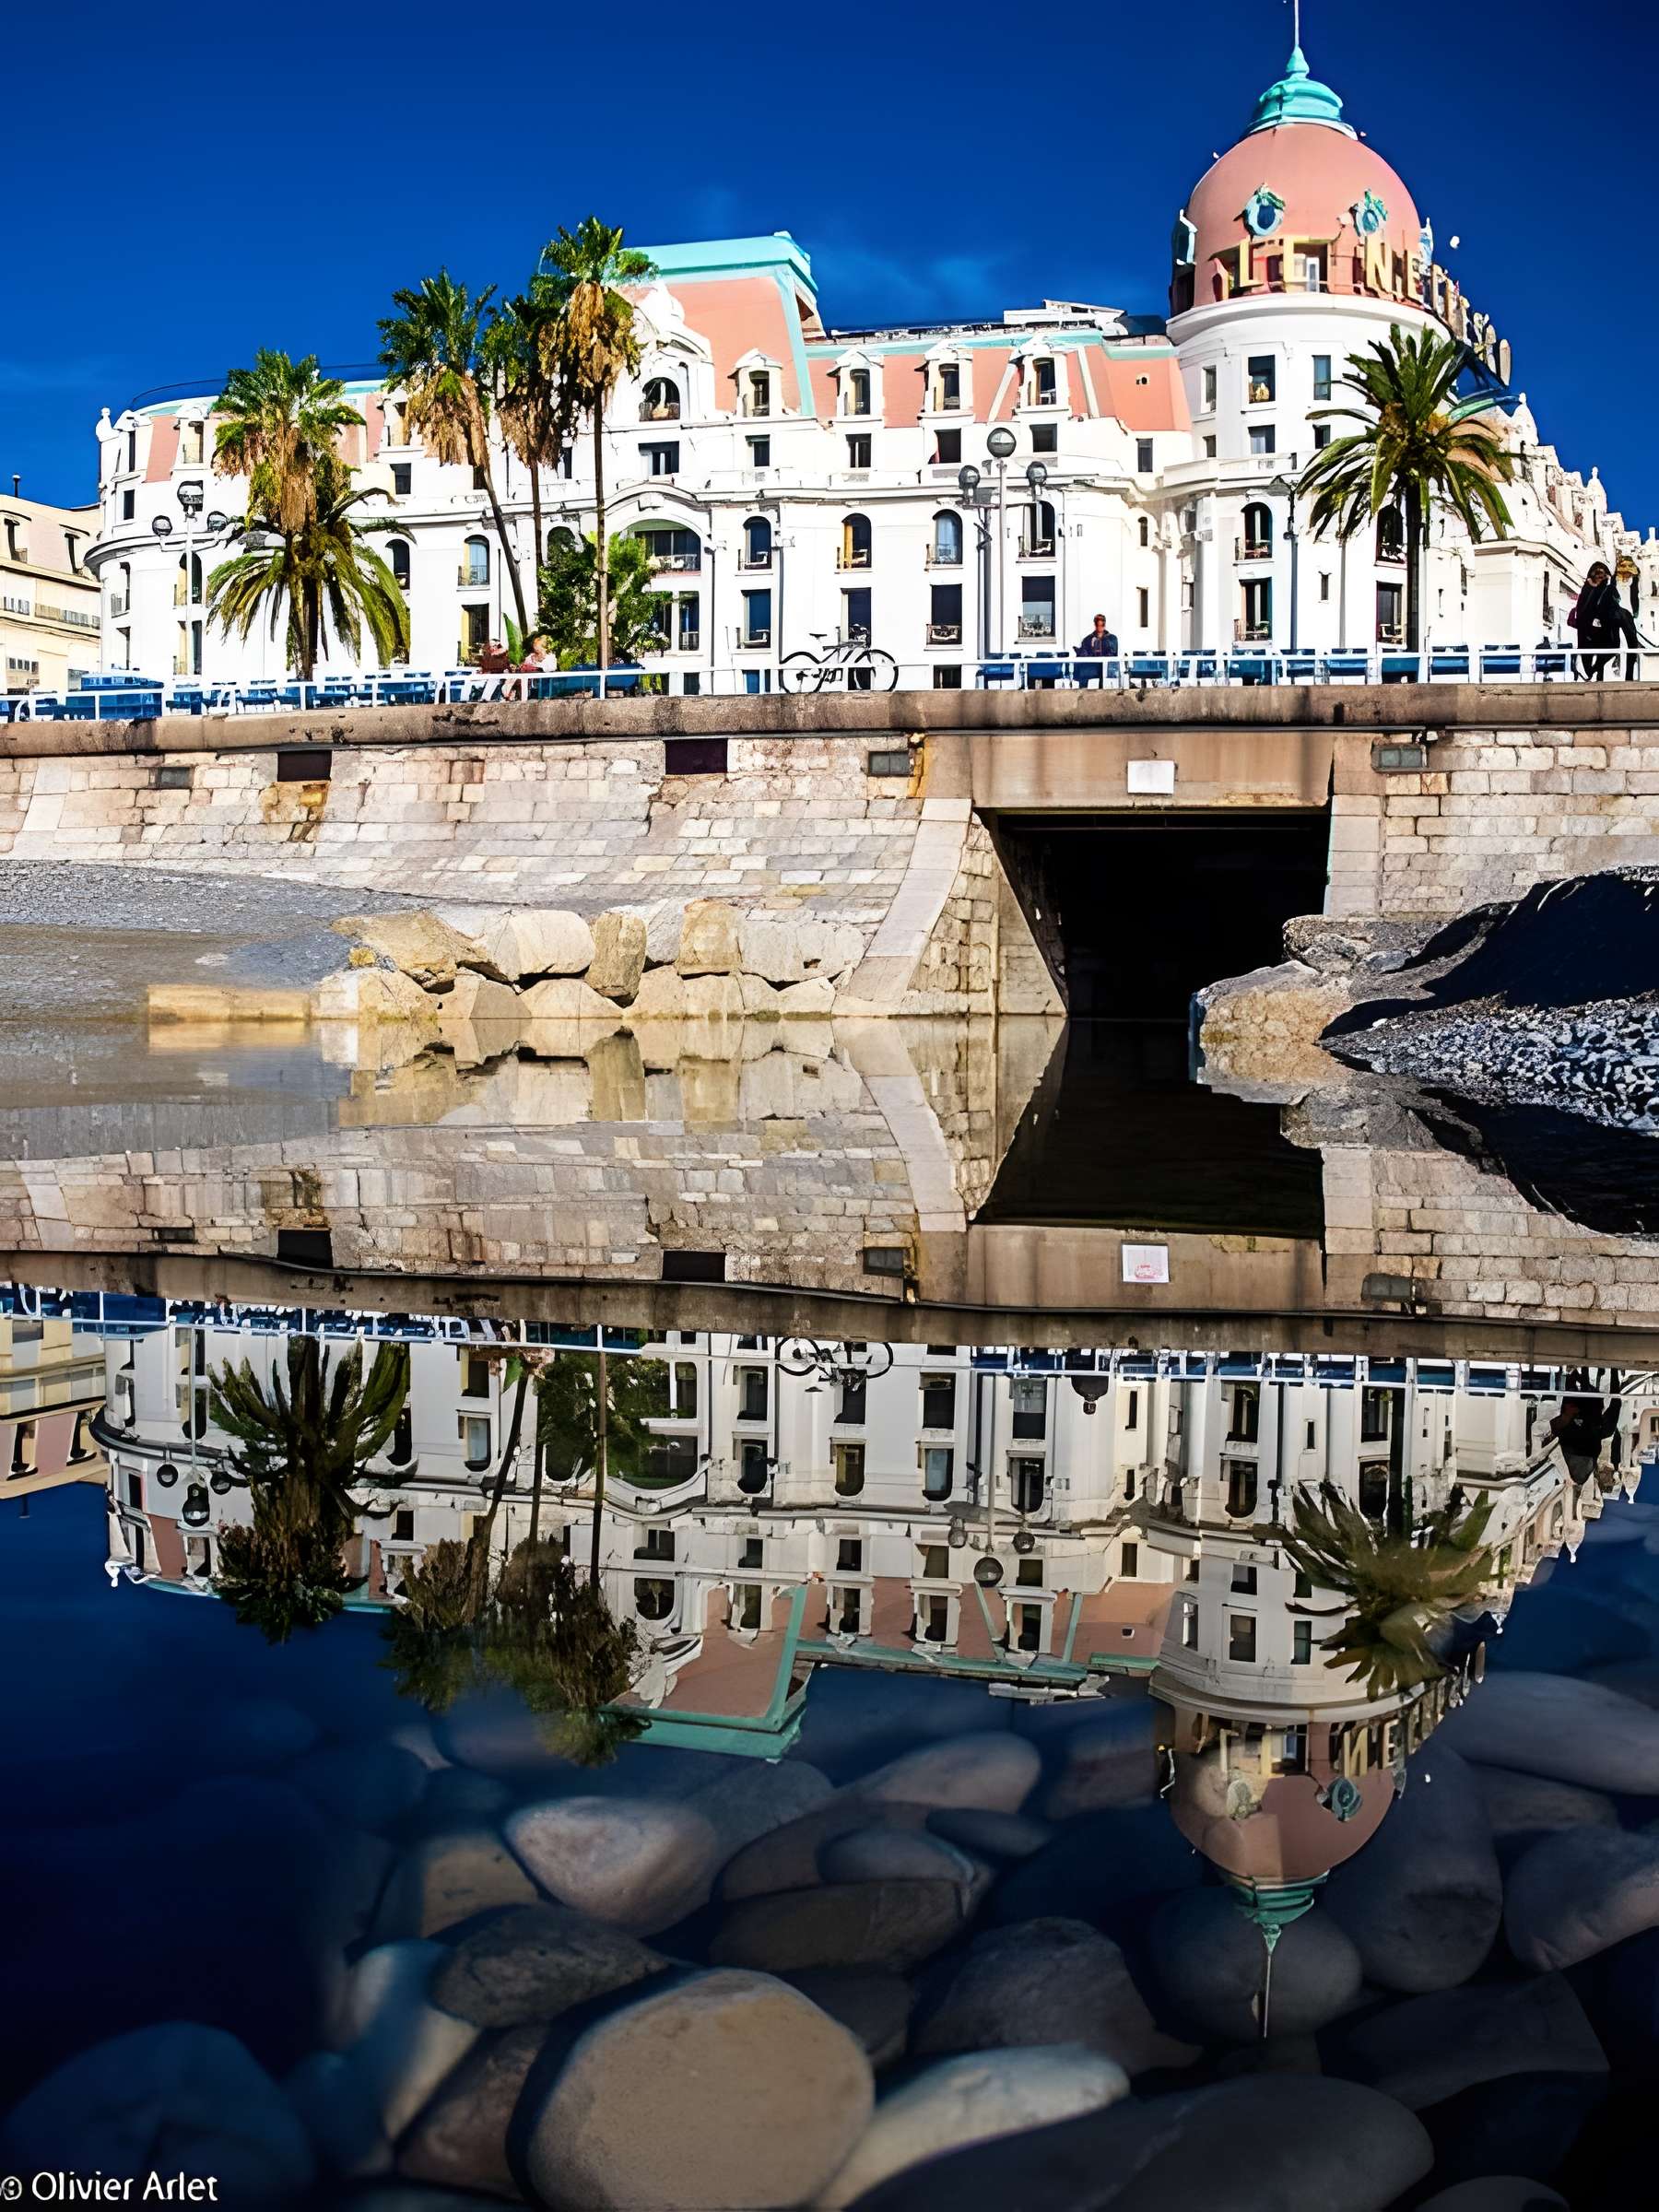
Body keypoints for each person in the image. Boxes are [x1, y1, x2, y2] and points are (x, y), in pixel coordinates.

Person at [1567, 562, 1622, 681]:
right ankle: (1590, 672)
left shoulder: (1607, 589)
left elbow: (1614, 600)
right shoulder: (1588, 588)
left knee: (1610, 649)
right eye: (1598, 574)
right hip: (1587, 629)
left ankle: (1593, 671)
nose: (1600, 577)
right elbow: (1583, 606)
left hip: (1602, 630)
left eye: (1603, 574)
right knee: (1587, 655)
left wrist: (1612, 583)